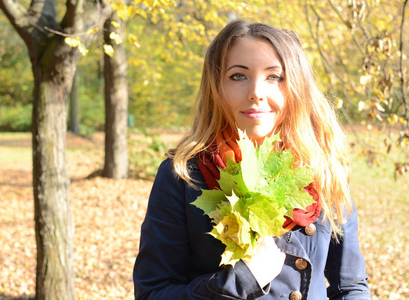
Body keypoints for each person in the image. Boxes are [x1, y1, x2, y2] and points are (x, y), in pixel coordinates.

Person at [133, 20, 371, 300]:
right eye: (238, 76)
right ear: (216, 87)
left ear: (296, 87)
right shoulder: (184, 175)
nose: (256, 92)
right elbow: (153, 293)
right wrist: (242, 281)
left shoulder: (322, 168)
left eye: (274, 77)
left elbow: (351, 287)